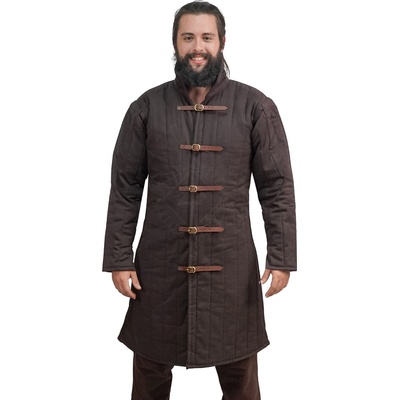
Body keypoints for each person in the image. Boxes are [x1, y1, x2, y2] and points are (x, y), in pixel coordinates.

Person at [102, 1, 296, 399]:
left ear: (222, 41)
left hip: (231, 265)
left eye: (206, 37)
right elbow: (125, 187)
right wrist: (119, 258)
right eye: (188, 37)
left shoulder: (256, 107)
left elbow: (276, 187)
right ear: (175, 43)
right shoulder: (146, 108)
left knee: (240, 374)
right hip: (159, 266)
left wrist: (281, 256)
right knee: (150, 371)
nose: (197, 47)